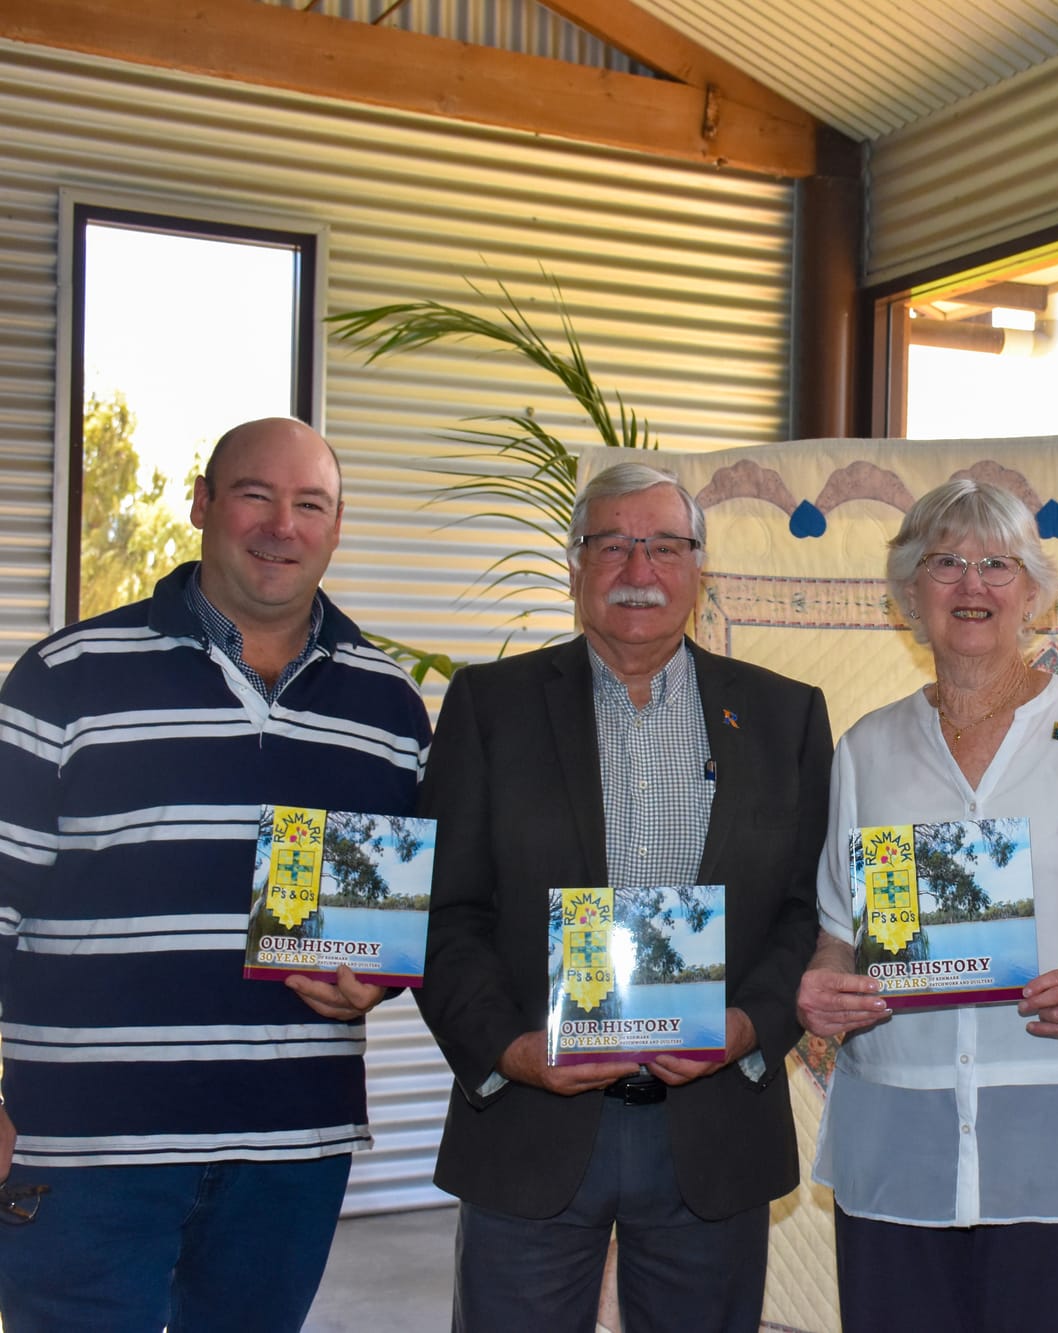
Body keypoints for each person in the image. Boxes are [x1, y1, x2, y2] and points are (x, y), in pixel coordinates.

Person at [0, 418, 430, 1332]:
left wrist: (372, 983)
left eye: (309, 503)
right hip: (86, 1151)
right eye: (255, 495)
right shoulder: (67, 675)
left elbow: (383, 914)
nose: (282, 524)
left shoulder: (386, 705)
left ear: (336, 526)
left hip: (291, 1150)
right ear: (201, 503)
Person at [416, 460, 831, 1333]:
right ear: (574, 565)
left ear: (698, 569)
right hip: (533, 1118)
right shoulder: (490, 707)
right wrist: (512, 1049)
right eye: (613, 545)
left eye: (665, 546)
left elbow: (804, 908)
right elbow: (445, 910)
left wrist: (752, 1025)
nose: (639, 571)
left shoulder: (784, 716)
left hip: (711, 1129)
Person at [794, 478, 1058, 1333]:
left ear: (1033, 592)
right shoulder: (866, 749)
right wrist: (824, 987)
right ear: (908, 592)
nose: (973, 585)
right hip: (902, 1148)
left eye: (998, 564)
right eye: (946, 563)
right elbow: (837, 933)